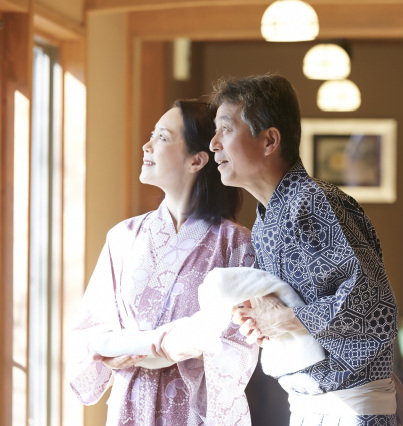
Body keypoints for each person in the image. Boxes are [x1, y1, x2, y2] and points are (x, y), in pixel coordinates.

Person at [209, 74, 403, 425]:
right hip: (311, 406)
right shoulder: (266, 220)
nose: (213, 144)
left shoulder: (312, 202)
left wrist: (286, 319)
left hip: (353, 412)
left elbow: (375, 305)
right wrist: (265, 318)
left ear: (270, 140)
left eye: (225, 129)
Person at [67, 99, 259, 425]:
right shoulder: (123, 236)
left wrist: (131, 346)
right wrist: (161, 344)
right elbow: (90, 333)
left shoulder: (236, 243)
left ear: (197, 160)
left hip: (196, 413)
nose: (147, 145)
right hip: (131, 406)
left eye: (162, 137)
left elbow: (238, 342)